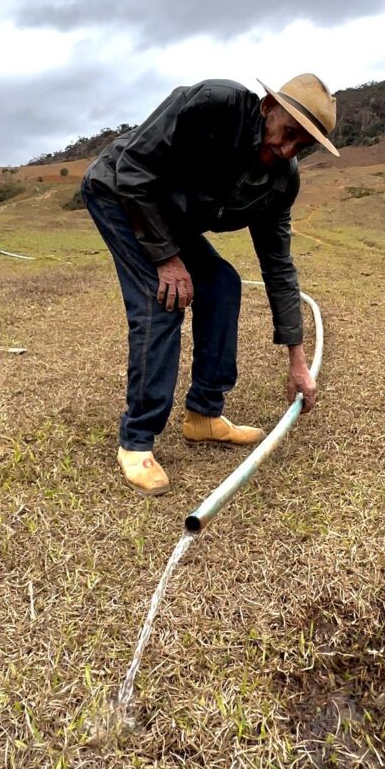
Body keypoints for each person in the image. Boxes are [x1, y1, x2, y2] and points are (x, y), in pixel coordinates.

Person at [81, 74, 339, 496]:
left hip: (169, 215)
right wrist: (165, 258)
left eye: (302, 146)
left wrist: (297, 357)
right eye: (288, 133)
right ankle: (136, 441)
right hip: (120, 192)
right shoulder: (213, 104)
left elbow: (278, 267)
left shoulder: (281, 182)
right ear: (268, 106)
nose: (288, 150)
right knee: (161, 295)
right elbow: (133, 170)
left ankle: (204, 414)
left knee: (221, 283)